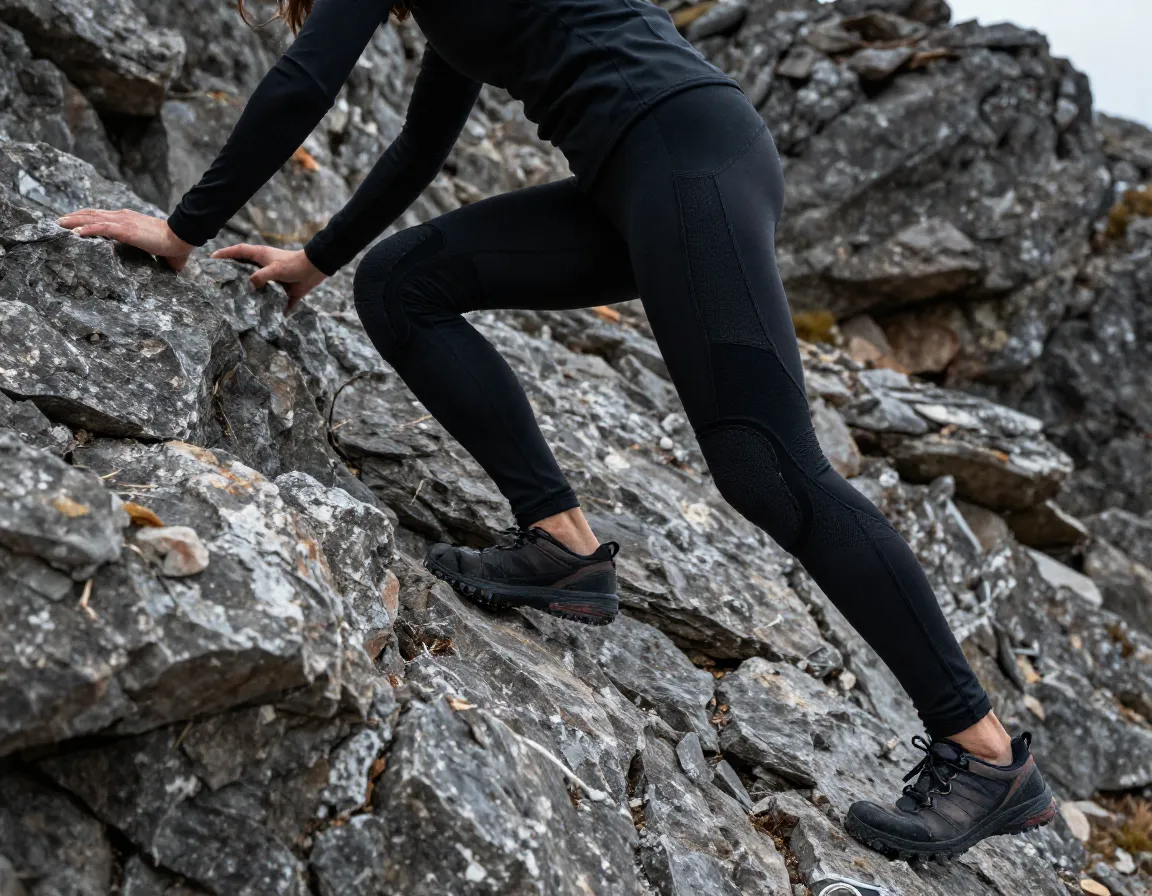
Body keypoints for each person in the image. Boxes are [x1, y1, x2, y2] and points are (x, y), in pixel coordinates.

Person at [58, 0, 1057, 860]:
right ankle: (562, 546)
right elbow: (421, 142)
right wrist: (319, 257)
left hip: (681, 153)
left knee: (768, 467)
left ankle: (982, 750)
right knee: (402, 284)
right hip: (641, 170)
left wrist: (183, 229)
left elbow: (306, 77)